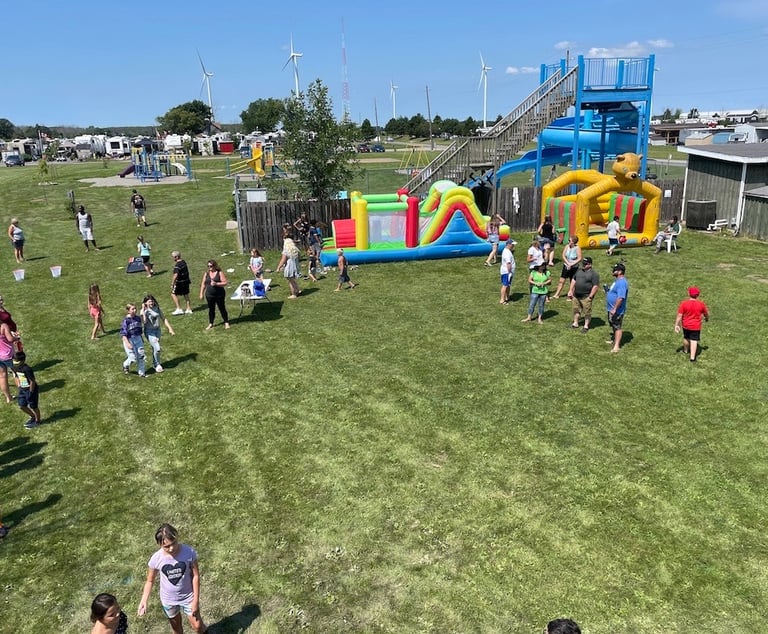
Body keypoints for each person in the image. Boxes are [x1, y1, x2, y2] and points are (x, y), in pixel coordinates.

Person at [138, 523, 208, 634]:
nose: (171, 548)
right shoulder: (156, 559)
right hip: (168, 600)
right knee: (177, 629)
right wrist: (144, 600)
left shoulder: (189, 553)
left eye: (173, 543)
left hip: (188, 597)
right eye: (166, 546)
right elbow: (150, 581)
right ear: (159, 545)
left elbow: (195, 576)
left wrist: (195, 600)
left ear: (177, 537)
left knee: (198, 626)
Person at [674, 286, 709, 362]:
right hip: (696, 326)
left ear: (689, 294)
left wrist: (676, 325)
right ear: (698, 295)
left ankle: (686, 350)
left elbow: (679, 315)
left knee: (686, 337)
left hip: (686, 325)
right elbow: (706, 313)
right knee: (694, 340)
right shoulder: (701, 304)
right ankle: (692, 358)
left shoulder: (684, 304)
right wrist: (707, 318)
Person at [141, 294, 175, 373]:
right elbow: (144, 322)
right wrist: (144, 311)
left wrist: (170, 329)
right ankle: (157, 364)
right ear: (145, 303)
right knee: (157, 348)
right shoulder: (144, 311)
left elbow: (164, 318)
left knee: (155, 348)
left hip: (157, 330)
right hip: (149, 332)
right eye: (149, 302)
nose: (151, 303)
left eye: (152, 301)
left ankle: (155, 363)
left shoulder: (157, 308)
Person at [569, 256, 600, 332]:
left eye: (585, 264)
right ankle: (575, 323)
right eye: (583, 263)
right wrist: (570, 290)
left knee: (587, 312)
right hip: (576, 295)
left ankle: (586, 326)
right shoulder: (579, 271)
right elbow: (573, 280)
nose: (584, 265)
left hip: (586, 296)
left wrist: (590, 296)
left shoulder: (594, 274)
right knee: (576, 310)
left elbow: (595, 286)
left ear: (590, 264)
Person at [11, 351, 41, 429]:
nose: (14, 362)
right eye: (14, 360)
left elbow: (32, 381)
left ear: (22, 361)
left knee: (34, 406)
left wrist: (31, 392)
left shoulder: (27, 369)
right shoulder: (14, 367)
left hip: (30, 390)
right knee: (22, 405)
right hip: (22, 390)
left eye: (16, 361)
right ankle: (33, 417)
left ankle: (38, 421)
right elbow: (16, 376)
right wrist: (18, 385)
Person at [200, 259, 230, 329]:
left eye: (211, 266)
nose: (210, 267)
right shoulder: (206, 273)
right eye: (208, 266)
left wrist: (216, 284)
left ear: (215, 266)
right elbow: (203, 284)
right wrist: (201, 293)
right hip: (209, 295)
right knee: (211, 309)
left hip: (219, 294)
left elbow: (225, 282)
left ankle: (226, 322)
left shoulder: (219, 273)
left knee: (222, 308)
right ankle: (211, 323)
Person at [605, 261, 628, 352]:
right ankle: (614, 341)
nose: (613, 271)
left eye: (615, 270)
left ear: (620, 272)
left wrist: (615, 308)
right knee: (614, 325)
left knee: (617, 327)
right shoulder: (617, 281)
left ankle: (617, 346)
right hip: (611, 309)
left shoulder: (622, 283)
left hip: (617, 310)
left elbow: (621, 297)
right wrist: (608, 291)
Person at [120, 303, 146, 377]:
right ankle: (125, 365)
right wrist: (128, 343)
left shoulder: (137, 318)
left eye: (135, 309)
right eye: (132, 309)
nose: (134, 310)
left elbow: (142, 324)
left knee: (141, 356)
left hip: (138, 338)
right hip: (129, 339)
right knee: (133, 357)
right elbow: (123, 334)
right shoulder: (126, 321)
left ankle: (142, 373)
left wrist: (141, 338)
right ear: (128, 311)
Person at [275, 231, 302, 298]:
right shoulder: (295, 249)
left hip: (289, 267)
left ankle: (294, 294)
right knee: (292, 280)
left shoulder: (286, 250)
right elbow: (299, 257)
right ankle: (297, 290)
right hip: (295, 265)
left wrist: (278, 267)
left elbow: (283, 260)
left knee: (290, 281)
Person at [0, 320, 18, 403]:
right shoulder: (3, 326)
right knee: (17, 373)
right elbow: (10, 339)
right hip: (8, 355)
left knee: (2, 376)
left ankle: (8, 397)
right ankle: (23, 392)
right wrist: (16, 337)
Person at [499, 238, 516, 304]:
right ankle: (502, 299)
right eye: (512, 245)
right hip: (507, 272)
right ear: (508, 245)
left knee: (508, 284)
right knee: (505, 285)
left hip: (507, 271)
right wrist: (509, 272)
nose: (513, 246)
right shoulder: (507, 253)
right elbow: (508, 263)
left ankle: (507, 297)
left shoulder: (507, 251)